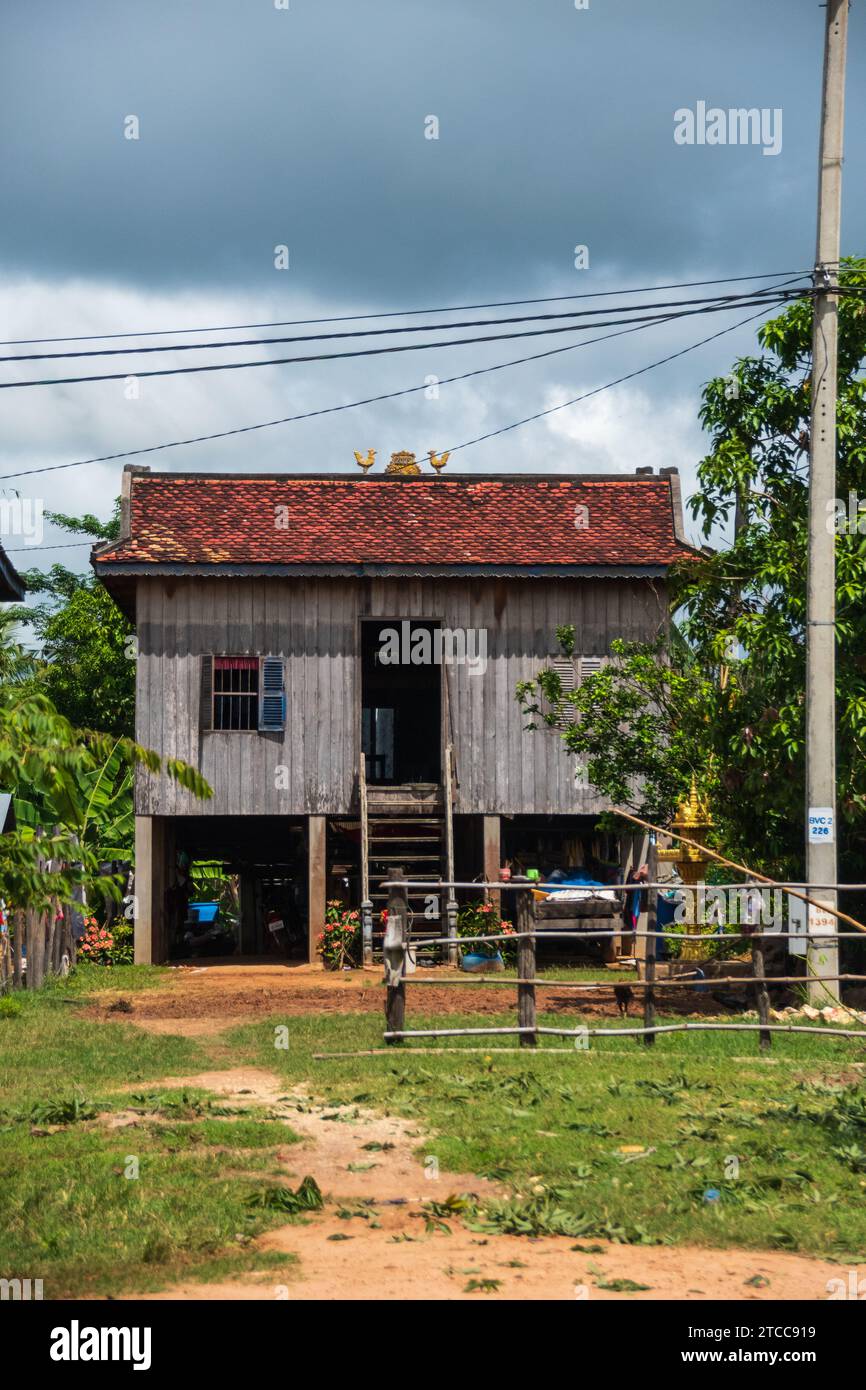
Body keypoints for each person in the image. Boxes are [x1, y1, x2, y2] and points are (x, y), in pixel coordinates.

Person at [621, 863, 648, 957]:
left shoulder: (643, 883)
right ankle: (631, 949)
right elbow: (628, 890)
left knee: (633, 924)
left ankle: (633, 947)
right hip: (632, 907)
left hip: (635, 908)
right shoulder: (636, 881)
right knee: (632, 924)